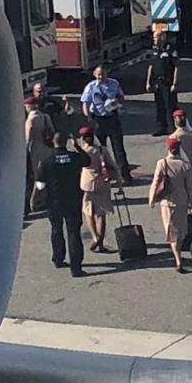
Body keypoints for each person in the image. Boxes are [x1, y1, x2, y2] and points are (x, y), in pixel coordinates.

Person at [34, 132, 91, 277]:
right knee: (74, 233)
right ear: (66, 142)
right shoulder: (74, 157)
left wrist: (36, 198)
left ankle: (58, 258)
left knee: (56, 229)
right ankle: (76, 267)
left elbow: (40, 184)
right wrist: (77, 146)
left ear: (53, 142)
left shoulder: (47, 162)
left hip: (54, 201)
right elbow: (87, 161)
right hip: (73, 200)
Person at [148, 136, 192, 273]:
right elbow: (189, 186)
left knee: (171, 232)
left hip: (167, 202)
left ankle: (178, 259)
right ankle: (179, 252)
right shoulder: (185, 165)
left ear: (168, 148)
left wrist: (152, 198)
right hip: (182, 201)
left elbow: (156, 182)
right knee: (181, 231)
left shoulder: (162, 163)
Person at [80, 65, 133, 183]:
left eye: (103, 74)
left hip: (112, 118)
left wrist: (117, 102)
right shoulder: (90, 87)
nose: (101, 77)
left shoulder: (114, 83)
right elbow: (85, 103)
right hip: (98, 119)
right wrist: (89, 117)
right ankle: (103, 175)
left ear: (106, 73)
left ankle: (125, 175)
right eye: (98, 74)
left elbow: (121, 96)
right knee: (100, 150)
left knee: (118, 148)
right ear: (94, 74)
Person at [77, 125, 120, 253]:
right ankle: (100, 242)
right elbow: (113, 165)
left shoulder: (83, 152)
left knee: (87, 211)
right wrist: (119, 183)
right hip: (103, 183)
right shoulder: (102, 150)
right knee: (101, 214)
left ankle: (95, 236)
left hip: (87, 184)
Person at [146, 22, 180, 137]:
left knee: (171, 106)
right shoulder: (154, 49)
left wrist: (174, 83)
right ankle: (161, 128)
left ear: (162, 37)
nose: (154, 39)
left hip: (167, 82)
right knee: (159, 106)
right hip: (157, 82)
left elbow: (176, 67)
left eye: (156, 37)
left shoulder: (170, 50)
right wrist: (148, 82)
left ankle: (174, 128)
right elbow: (151, 66)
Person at [24, 96, 54, 213]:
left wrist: (25, 151)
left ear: (29, 106)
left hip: (36, 151)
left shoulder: (30, 120)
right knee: (48, 174)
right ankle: (48, 197)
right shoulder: (46, 117)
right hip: (47, 149)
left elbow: (28, 139)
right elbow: (52, 131)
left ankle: (37, 200)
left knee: (38, 176)